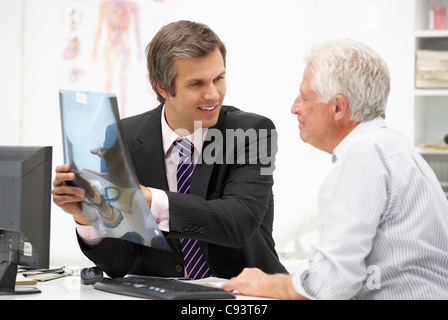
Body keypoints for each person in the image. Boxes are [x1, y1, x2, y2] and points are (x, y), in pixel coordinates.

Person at [52, 20, 287, 279]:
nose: (213, 95)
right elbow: (121, 263)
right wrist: (88, 217)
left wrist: (149, 199)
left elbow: (238, 222)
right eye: (196, 84)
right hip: (161, 293)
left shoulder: (251, 132)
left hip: (244, 294)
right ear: (163, 87)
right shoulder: (122, 138)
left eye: (218, 78)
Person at [222, 39, 448, 300]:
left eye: (305, 97)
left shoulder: (362, 155)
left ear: (338, 107)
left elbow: (330, 284)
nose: (294, 107)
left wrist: (264, 284)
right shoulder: (393, 146)